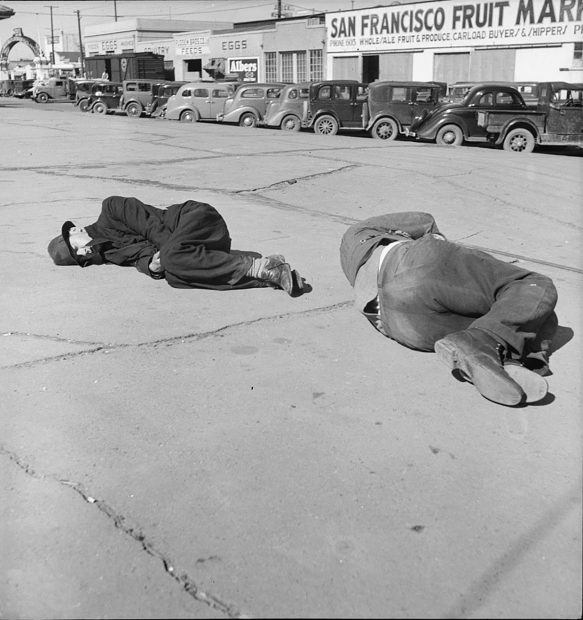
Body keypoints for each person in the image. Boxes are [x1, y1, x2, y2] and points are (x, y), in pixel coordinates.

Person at [339, 211, 558, 407]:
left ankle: (495, 354)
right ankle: (501, 346)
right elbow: (425, 222)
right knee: (533, 286)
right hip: (413, 265)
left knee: (505, 312)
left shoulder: (353, 255)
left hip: (397, 324)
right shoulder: (362, 228)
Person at [48, 195, 303, 295]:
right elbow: (142, 260)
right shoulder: (111, 252)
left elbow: (153, 229)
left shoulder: (112, 207)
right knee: (173, 276)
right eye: (78, 258)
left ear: (75, 230)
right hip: (201, 250)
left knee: (172, 259)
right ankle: (270, 273)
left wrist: (166, 255)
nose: (82, 253)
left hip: (199, 219)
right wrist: (154, 266)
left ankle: (261, 267)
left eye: (74, 247)